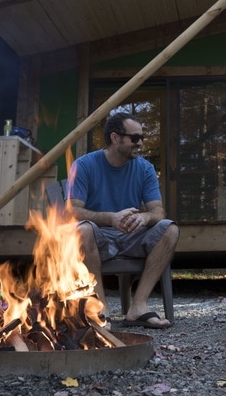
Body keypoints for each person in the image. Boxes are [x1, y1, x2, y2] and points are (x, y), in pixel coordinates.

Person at [67, 111, 179, 330]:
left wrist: (144, 217)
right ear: (115, 138)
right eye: (134, 138)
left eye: (142, 138)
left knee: (170, 230)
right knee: (82, 230)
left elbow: (158, 211)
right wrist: (111, 218)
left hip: (132, 236)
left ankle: (138, 306)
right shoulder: (85, 165)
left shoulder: (145, 168)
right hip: (99, 237)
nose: (140, 143)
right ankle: (100, 307)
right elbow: (72, 211)